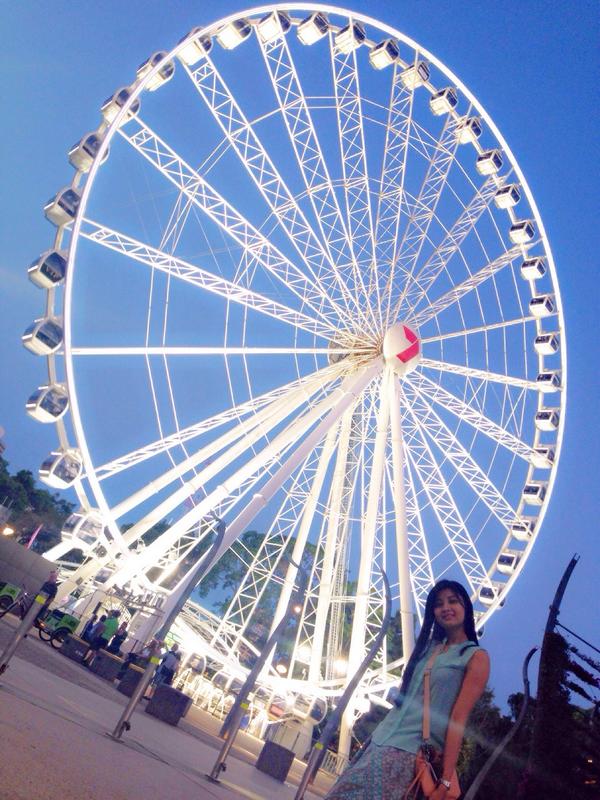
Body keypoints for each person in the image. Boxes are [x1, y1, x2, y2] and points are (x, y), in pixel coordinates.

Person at [325, 580, 490, 800]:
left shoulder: (475, 657)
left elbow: (457, 720)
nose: (445, 608)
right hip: (378, 741)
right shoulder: (428, 649)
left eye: (453, 601)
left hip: (410, 754)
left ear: (466, 607)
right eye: (438, 604)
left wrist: (445, 781)